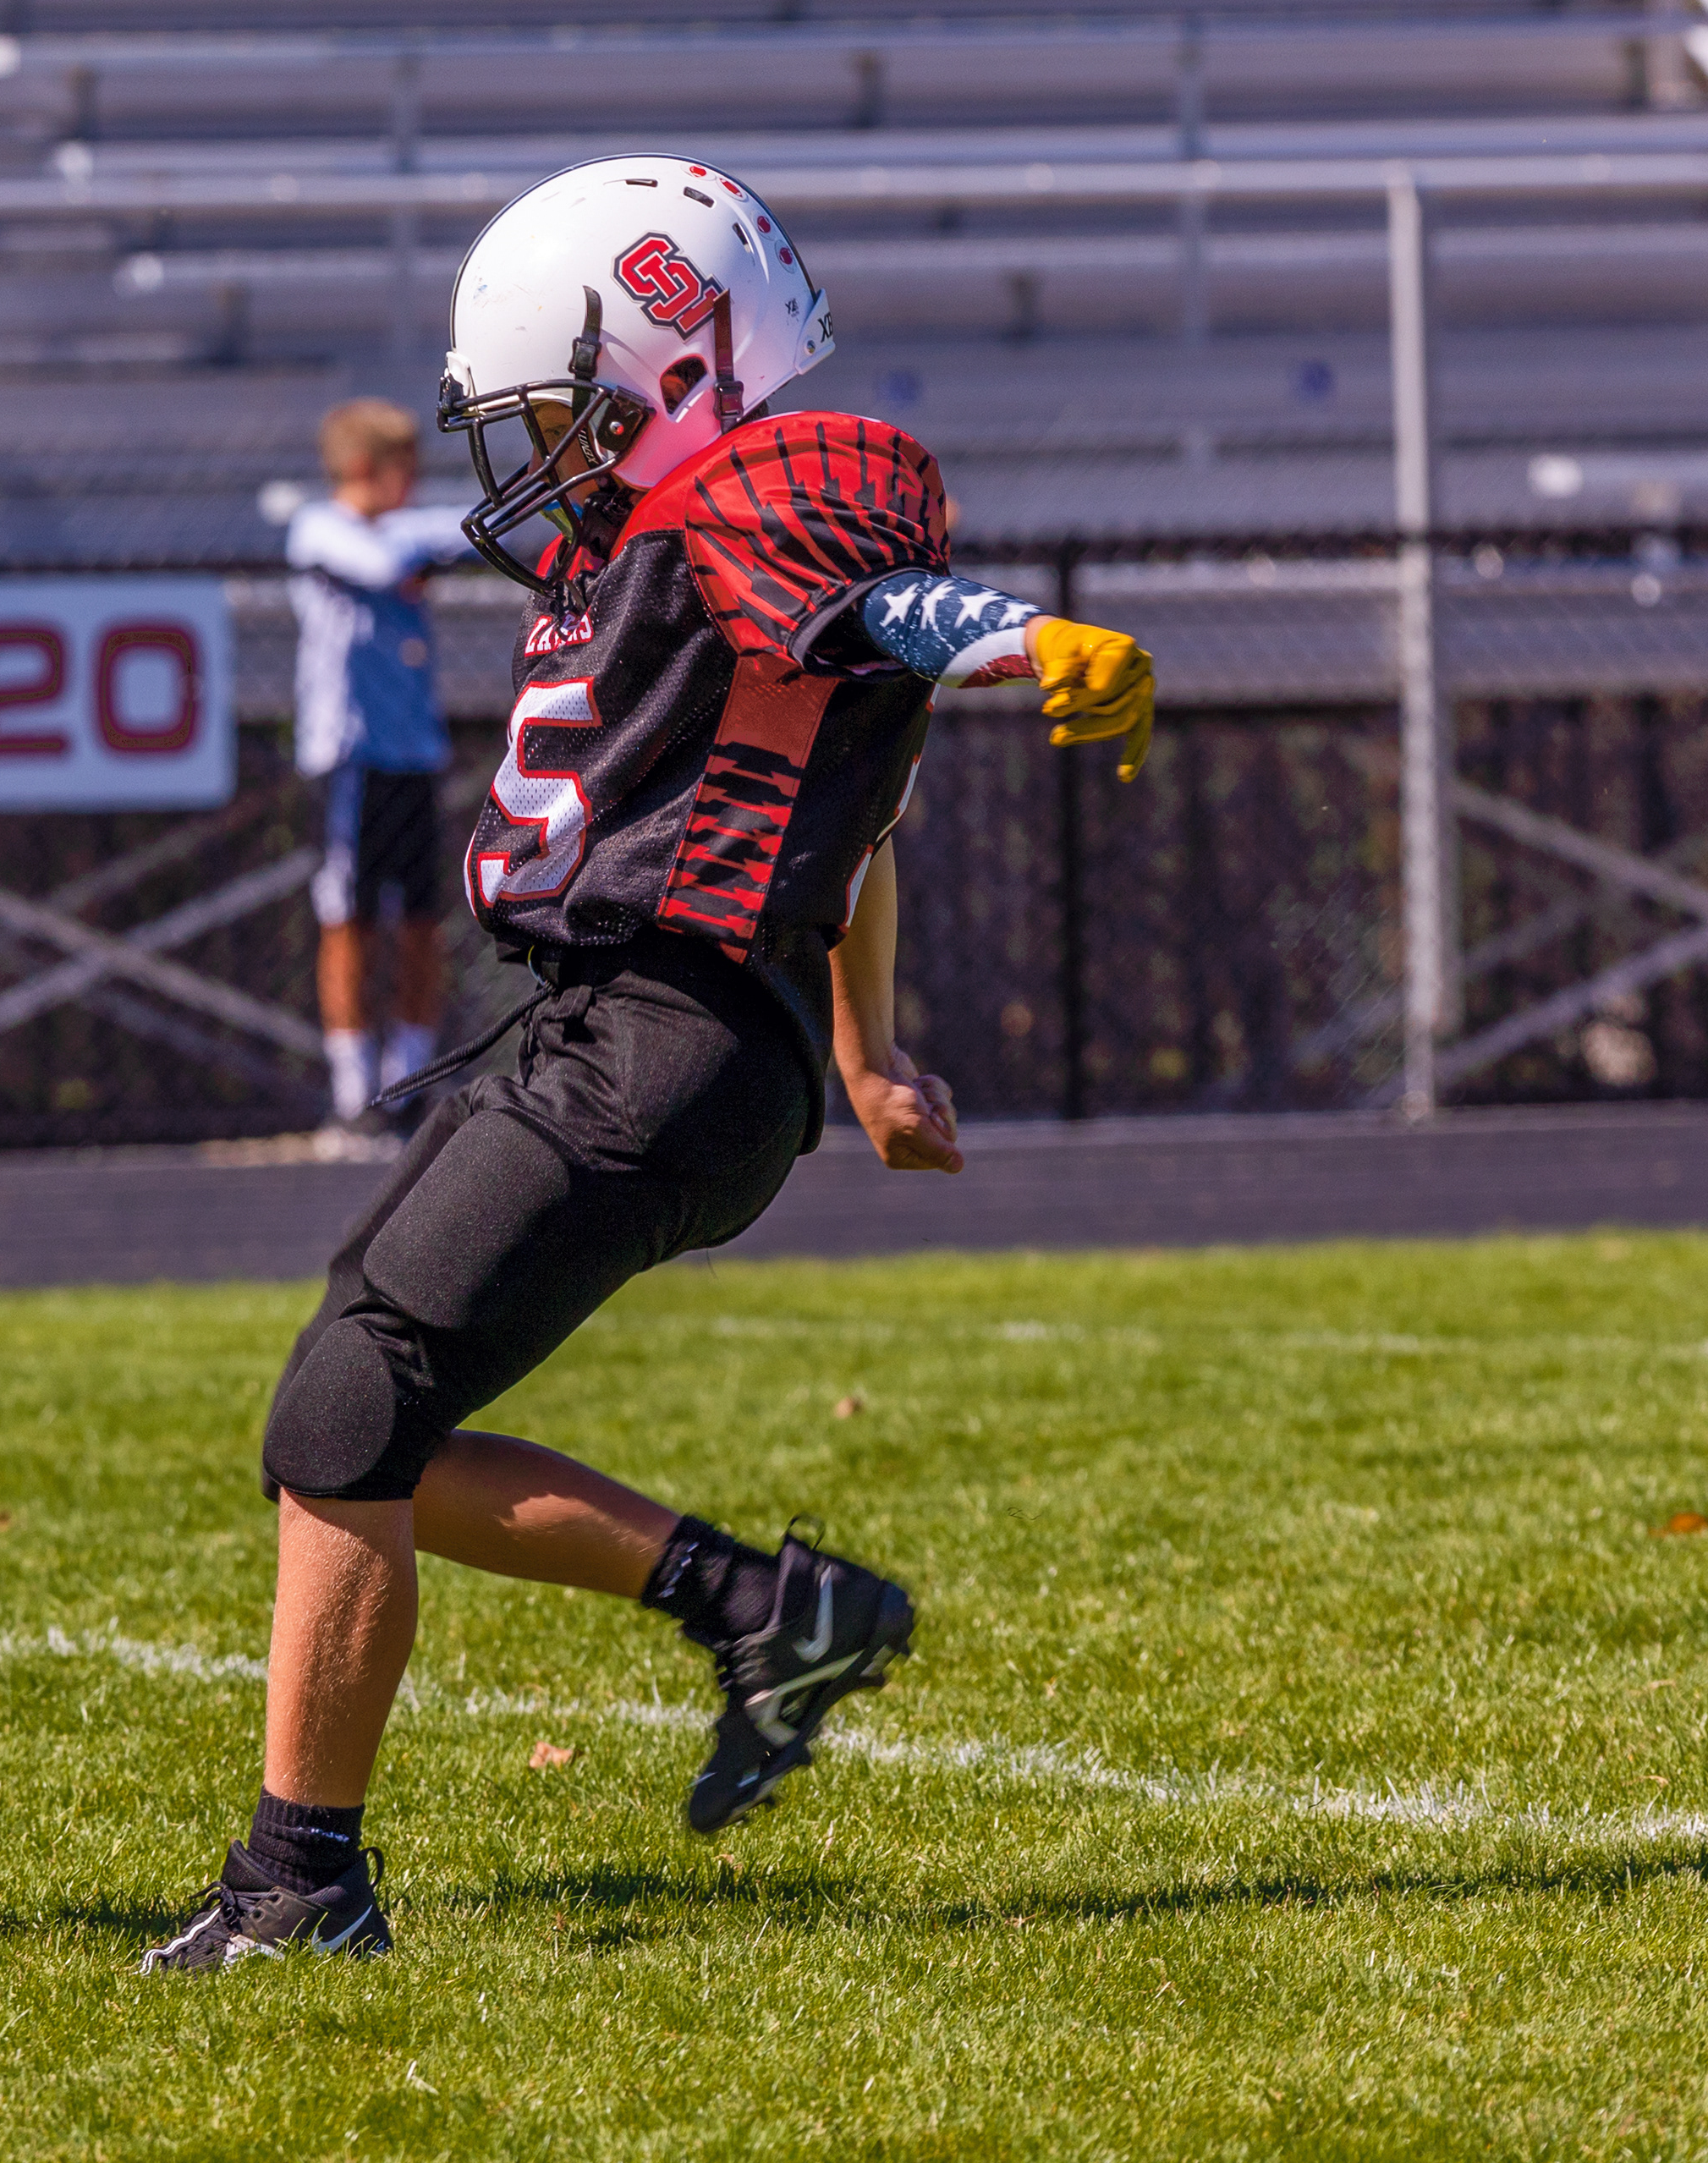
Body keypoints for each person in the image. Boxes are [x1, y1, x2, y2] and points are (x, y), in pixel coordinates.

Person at [145, 155, 1155, 1968]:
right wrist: (870, 1055)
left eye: (562, 411)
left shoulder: (780, 486)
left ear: (678, 363)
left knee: (347, 1407)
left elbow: (893, 616)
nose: (541, 454)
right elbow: (857, 823)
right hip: (642, 1032)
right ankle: (764, 1606)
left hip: (660, 1037)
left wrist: (1018, 635)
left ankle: (299, 1889)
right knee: (344, 1425)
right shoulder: (675, 546)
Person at [288, 398, 474, 1133]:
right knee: (350, 919)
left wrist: (442, 540)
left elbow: (468, 532)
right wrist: (437, 542)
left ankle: (406, 1086)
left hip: (414, 755)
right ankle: (352, 1094)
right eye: (406, 469)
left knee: (423, 920)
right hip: (351, 759)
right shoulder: (319, 530)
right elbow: (385, 560)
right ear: (366, 468)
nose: (415, 486)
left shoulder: (405, 533)